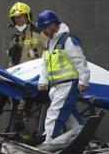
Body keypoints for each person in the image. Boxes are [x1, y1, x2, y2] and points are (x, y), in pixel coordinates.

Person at [35, 10, 90, 143]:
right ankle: (82, 138)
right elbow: (45, 64)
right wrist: (43, 80)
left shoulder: (68, 40)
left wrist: (84, 81)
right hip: (56, 86)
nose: (43, 31)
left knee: (54, 113)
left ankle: (48, 141)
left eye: (44, 28)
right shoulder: (49, 44)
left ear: (53, 25)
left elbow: (80, 61)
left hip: (67, 84)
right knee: (69, 115)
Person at [5, 2, 46, 138]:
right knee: (20, 111)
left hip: (38, 78)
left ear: (27, 17)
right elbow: (11, 61)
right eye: (15, 18)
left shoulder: (38, 32)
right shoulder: (14, 39)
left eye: (21, 17)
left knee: (32, 109)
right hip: (20, 79)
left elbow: (51, 50)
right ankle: (24, 136)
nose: (18, 20)